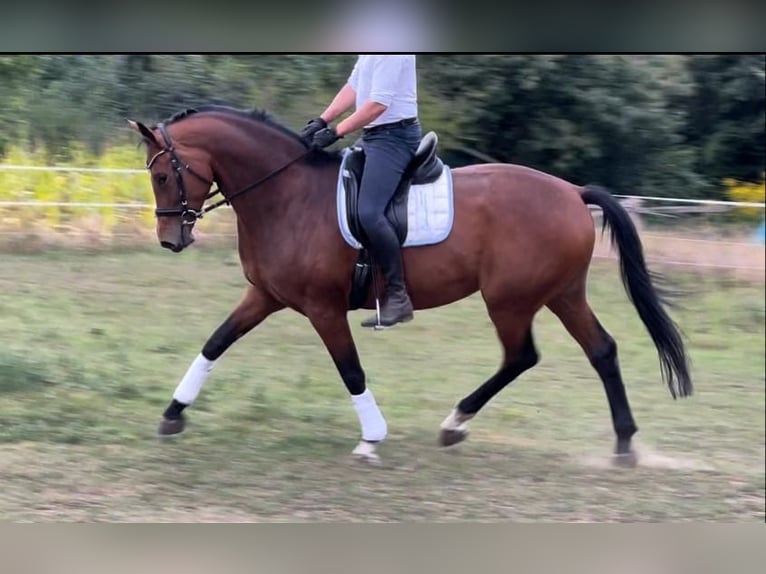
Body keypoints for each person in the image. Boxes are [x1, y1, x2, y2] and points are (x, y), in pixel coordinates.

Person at [301, 54, 421, 329]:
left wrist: (336, 132)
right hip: (375, 136)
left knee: (369, 212)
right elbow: (354, 85)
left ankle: (398, 296)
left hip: (395, 139)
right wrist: (322, 120)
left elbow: (378, 104)